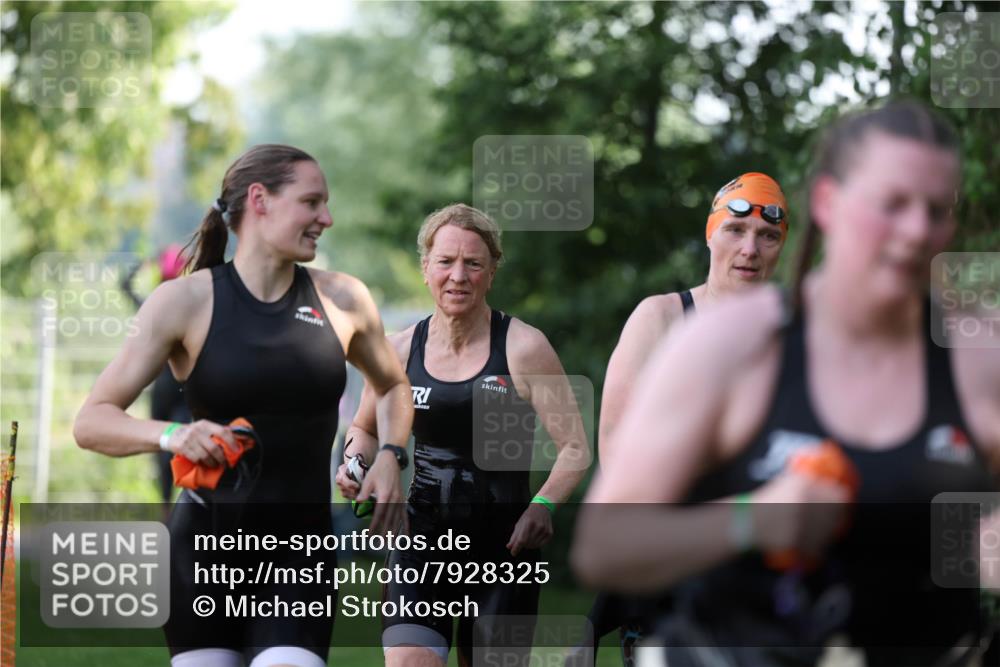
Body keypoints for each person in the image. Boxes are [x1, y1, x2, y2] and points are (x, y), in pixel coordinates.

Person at [573, 101, 1000, 666]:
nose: (917, 230)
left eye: (936, 209)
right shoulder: (719, 340)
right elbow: (604, 542)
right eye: (892, 204)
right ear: (828, 202)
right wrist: (751, 518)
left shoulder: (981, 356)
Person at [74, 144, 414, 667]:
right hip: (201, 554)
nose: (326, 218)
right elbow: (92, 420)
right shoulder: (182, 301)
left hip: (300, 556)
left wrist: (390, 454)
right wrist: (173, 435)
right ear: (260, 200)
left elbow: (392, 387)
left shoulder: (344, 299)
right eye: (312, 202)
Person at [336, 203, 591, 667]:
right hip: (420, 542)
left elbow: (575, 447)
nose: (458, 276)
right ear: (425, 268)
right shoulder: (398, 350)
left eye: (473, 263)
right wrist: (356, 463)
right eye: (446, 262)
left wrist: (544, 504)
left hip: (504, 550)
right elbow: (364, 427)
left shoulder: (523, 347)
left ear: (491, 273)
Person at [590, 172, 789, 664]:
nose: (750, 249)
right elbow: (615, 444)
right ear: (710, 234)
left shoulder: (794, 334)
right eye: (735, 231)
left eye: (768, 236)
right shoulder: (661, 318)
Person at [121, 243, 193, 503]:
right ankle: (174, 508)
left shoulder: (154, 307)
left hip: (169, 392)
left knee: (167, 448)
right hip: (176, 392)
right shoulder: (186, 308)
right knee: (176, 449)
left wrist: (146, 263)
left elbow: (125, 284)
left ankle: (170, 508)